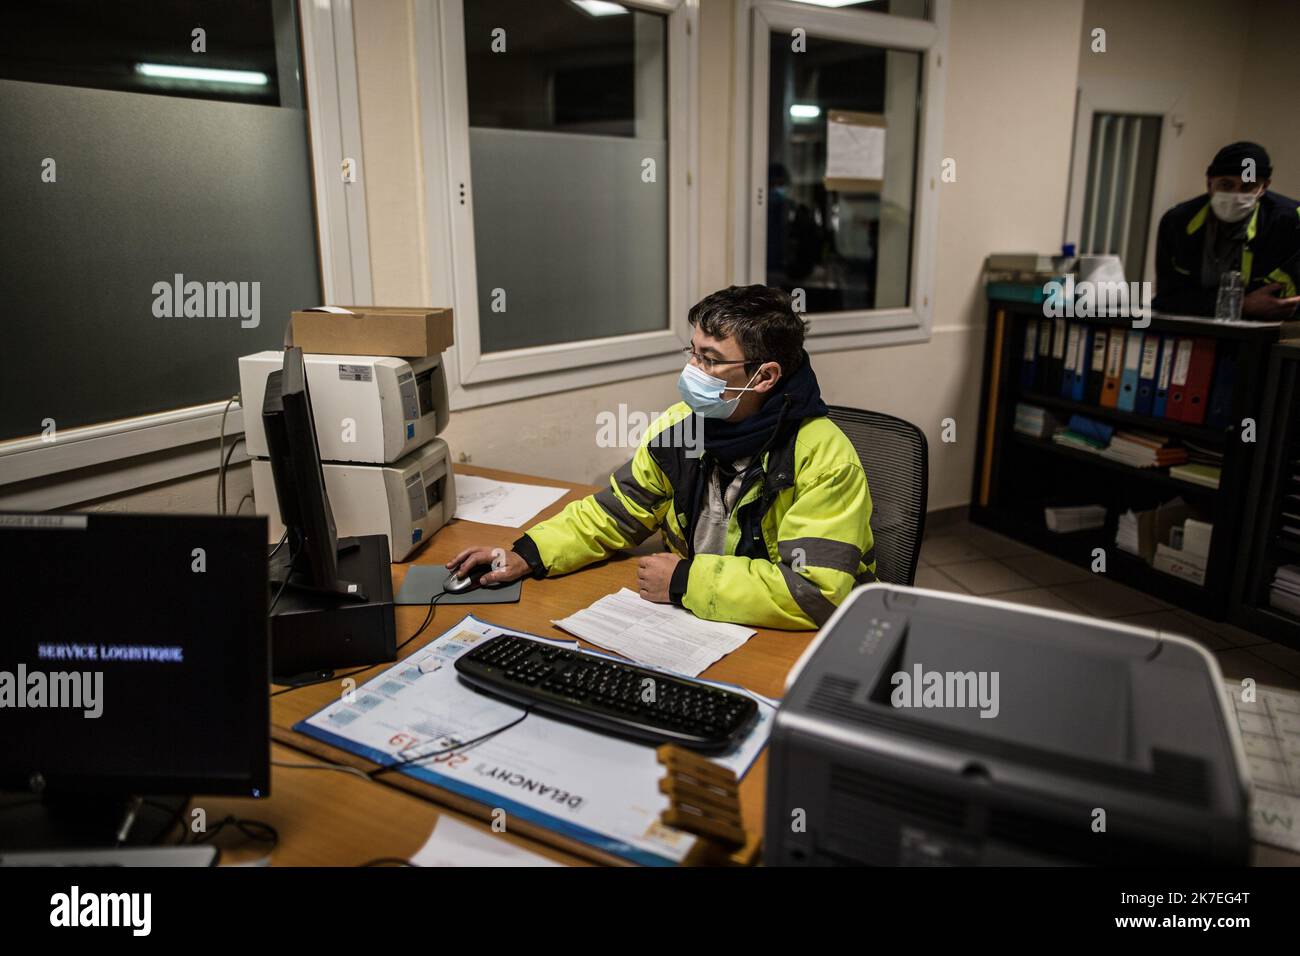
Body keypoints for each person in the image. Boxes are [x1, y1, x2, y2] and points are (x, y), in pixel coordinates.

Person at [447, 285, 876, 630]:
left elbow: (814, 592)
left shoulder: (824, 461)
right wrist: (529, 553)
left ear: (764, 376)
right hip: (700, 620)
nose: (692, 369)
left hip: (792, 634)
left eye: (709, 360)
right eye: (692, 352)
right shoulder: (681, 429)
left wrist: (686, 581)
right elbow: (615, 515)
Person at [1153, 141, 1300, 319]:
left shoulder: (1289, 223)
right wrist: (1242, 305)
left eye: (1247, 187)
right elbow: (1167, 298)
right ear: (1209, 183)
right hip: (1199, 331)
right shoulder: (1178, 222)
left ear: (1263, 188)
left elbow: (1285, 299)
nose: (1236, 195)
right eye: (1226, 185)